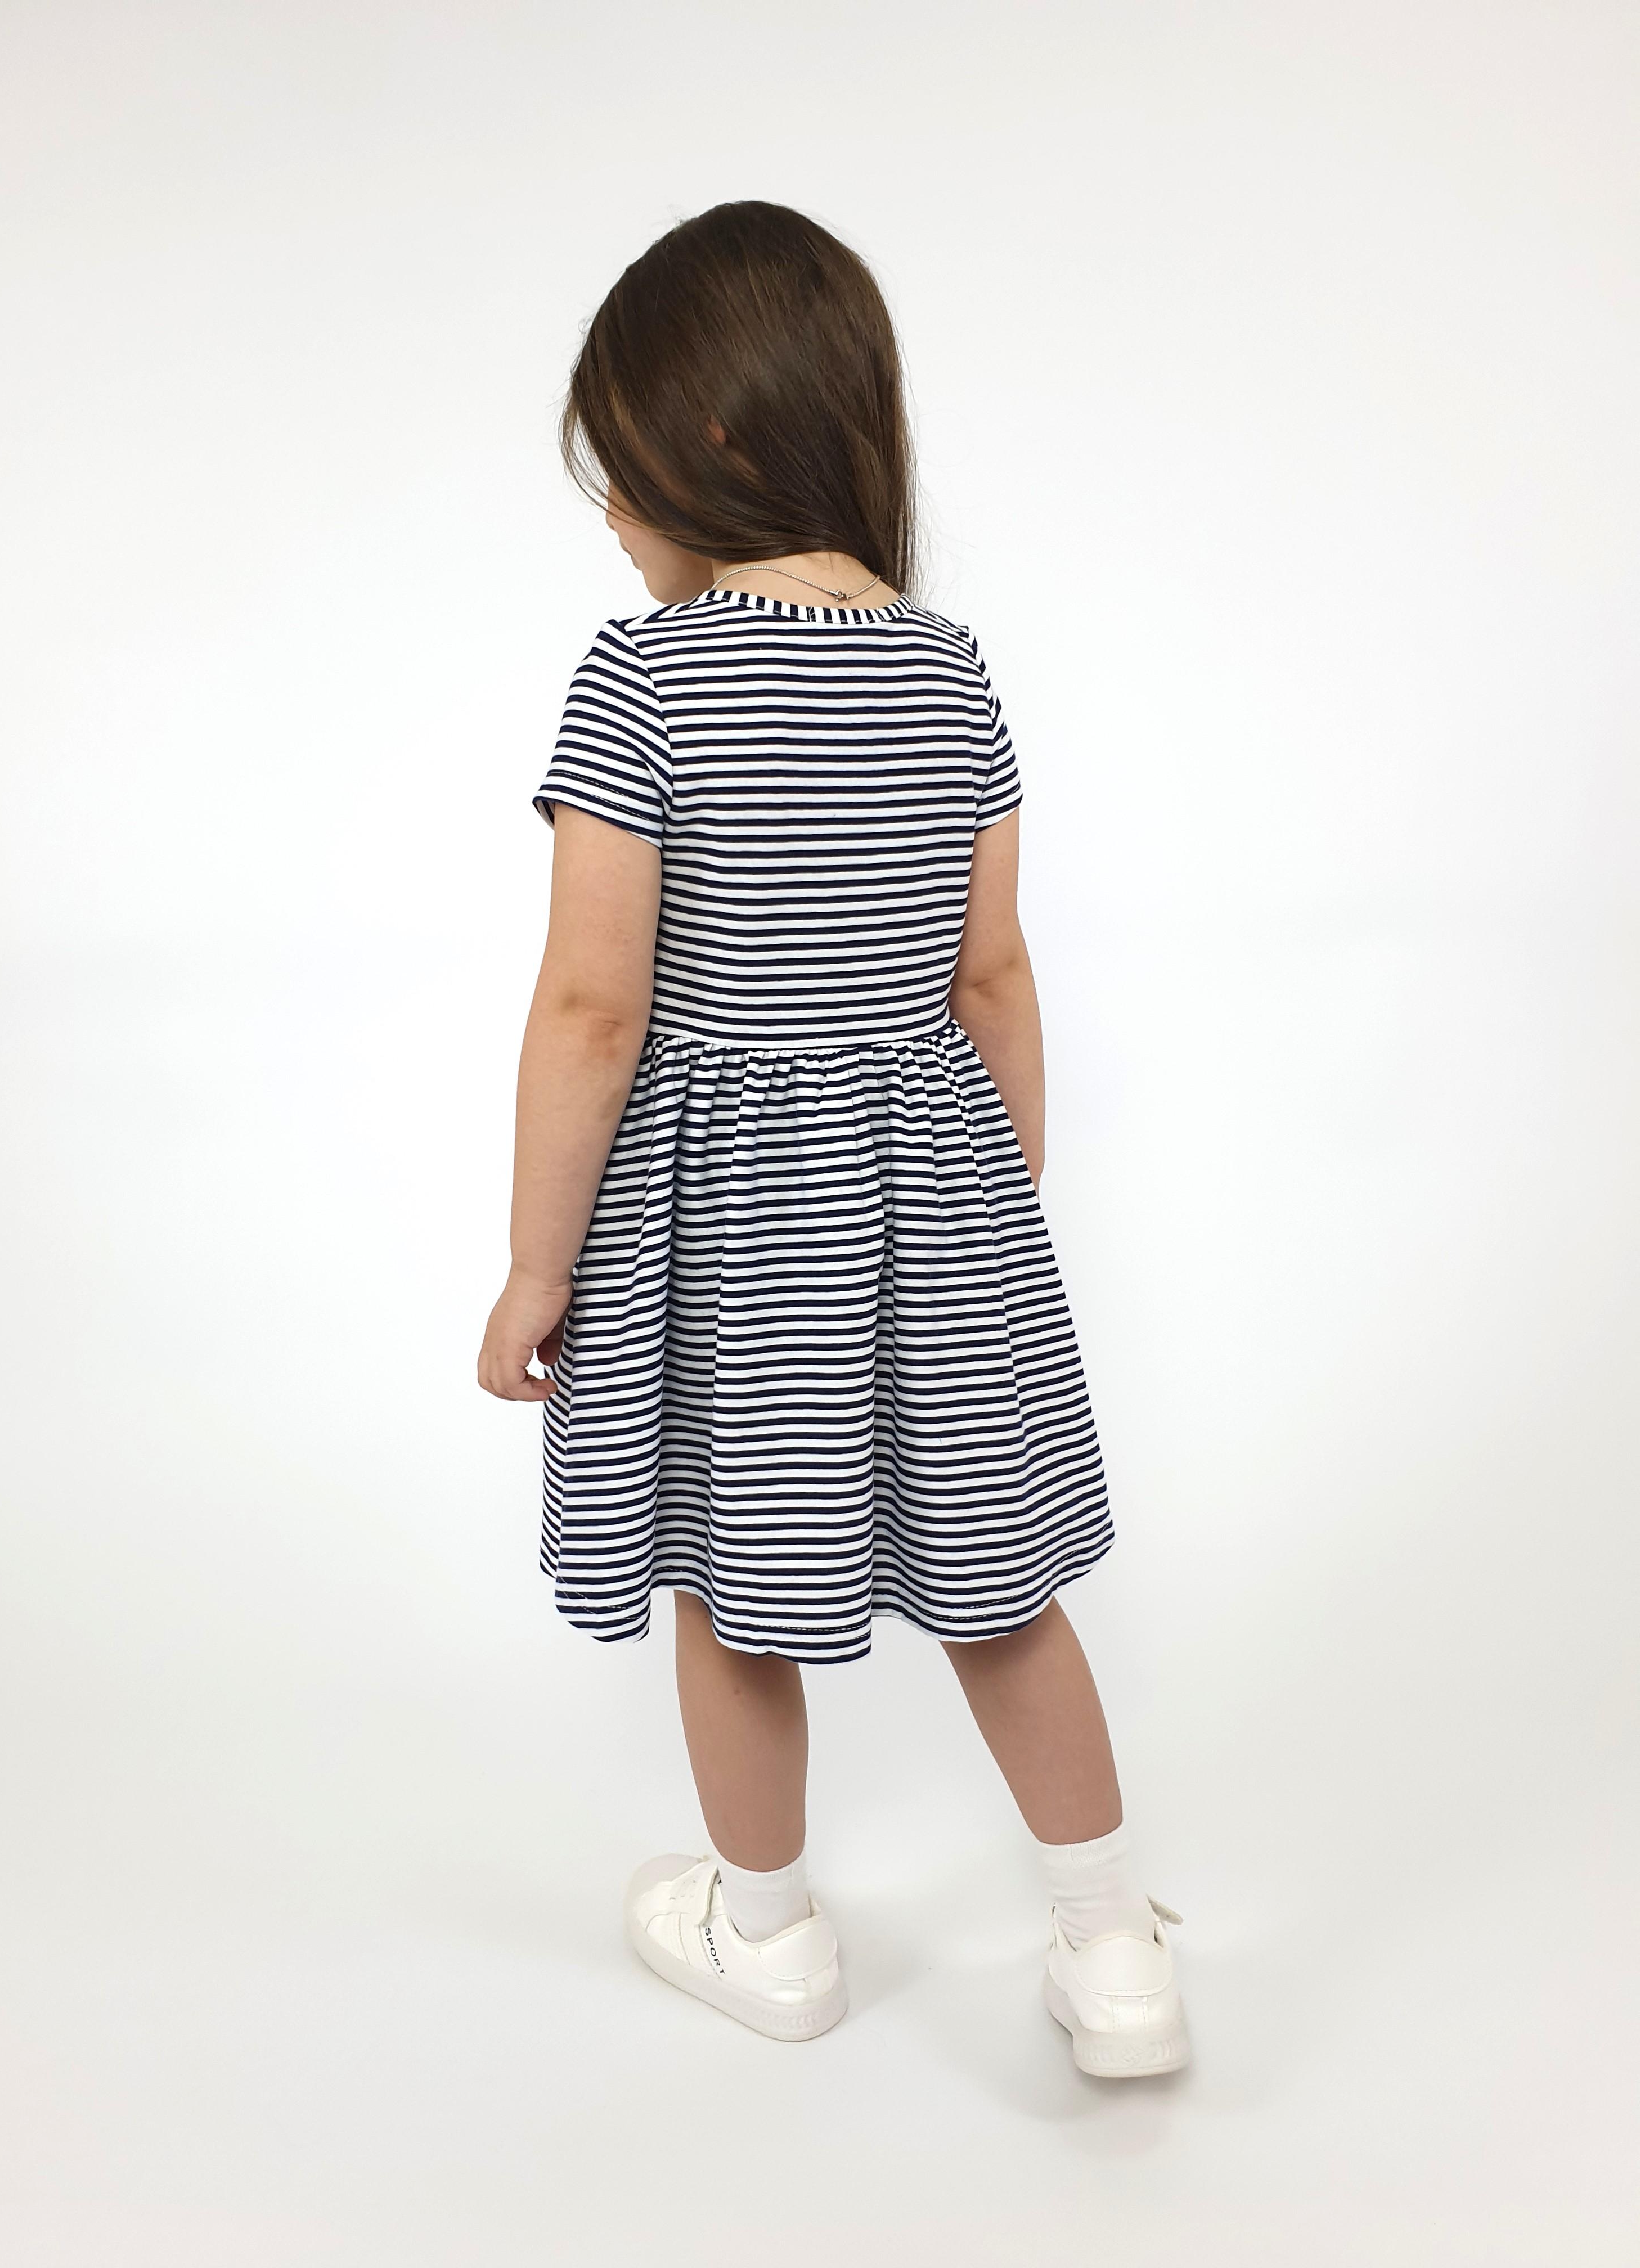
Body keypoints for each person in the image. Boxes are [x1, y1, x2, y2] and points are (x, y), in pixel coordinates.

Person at [478, 200, 1190, 2078]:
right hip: (936, 1201)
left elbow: (592, 1008)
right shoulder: (952, 668)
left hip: (727, 1231)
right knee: (1003, 1590)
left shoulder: (643, 676)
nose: (609, 519)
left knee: (734, 1588)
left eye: (616, 469)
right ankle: (1116, 1950)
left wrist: (541, 1266)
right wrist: (995, 1203)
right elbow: (993, 974)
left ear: (712, 439)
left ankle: (769, 1931)